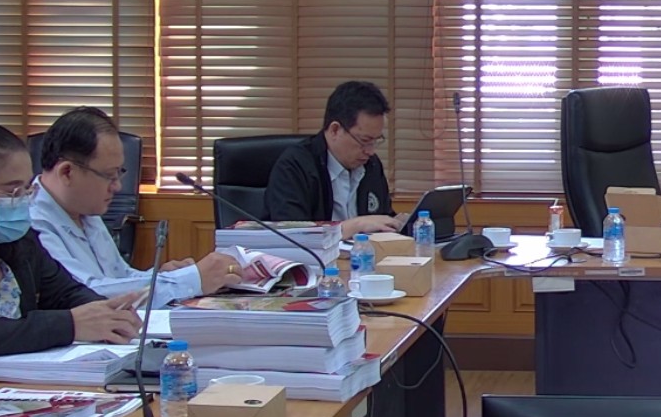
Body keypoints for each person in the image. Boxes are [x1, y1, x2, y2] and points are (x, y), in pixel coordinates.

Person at [31, 107, 242, 305]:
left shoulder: (84, 209)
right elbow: (87, 295)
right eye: (109, 175)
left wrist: (161, 276)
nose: (117, 186)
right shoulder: (32, 225)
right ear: (67, 172)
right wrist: (190, 280)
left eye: (119, 173)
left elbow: (120, 277)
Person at [0, 121, 143, 359]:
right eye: (12, 192)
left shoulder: (19, 241)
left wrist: (107, 312)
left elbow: (64, 292)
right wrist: (68, 325)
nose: (23, 201)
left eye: (26, 189)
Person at [264, 80, 408, 239]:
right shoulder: (294, 166)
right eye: (365, 141)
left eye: (375, 141)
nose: (370, 151)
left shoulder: (371, 165)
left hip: (364, 253)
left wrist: (397, 222)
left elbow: (380, 216)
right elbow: (293, 234)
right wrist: (355, 225)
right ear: (335, 130)